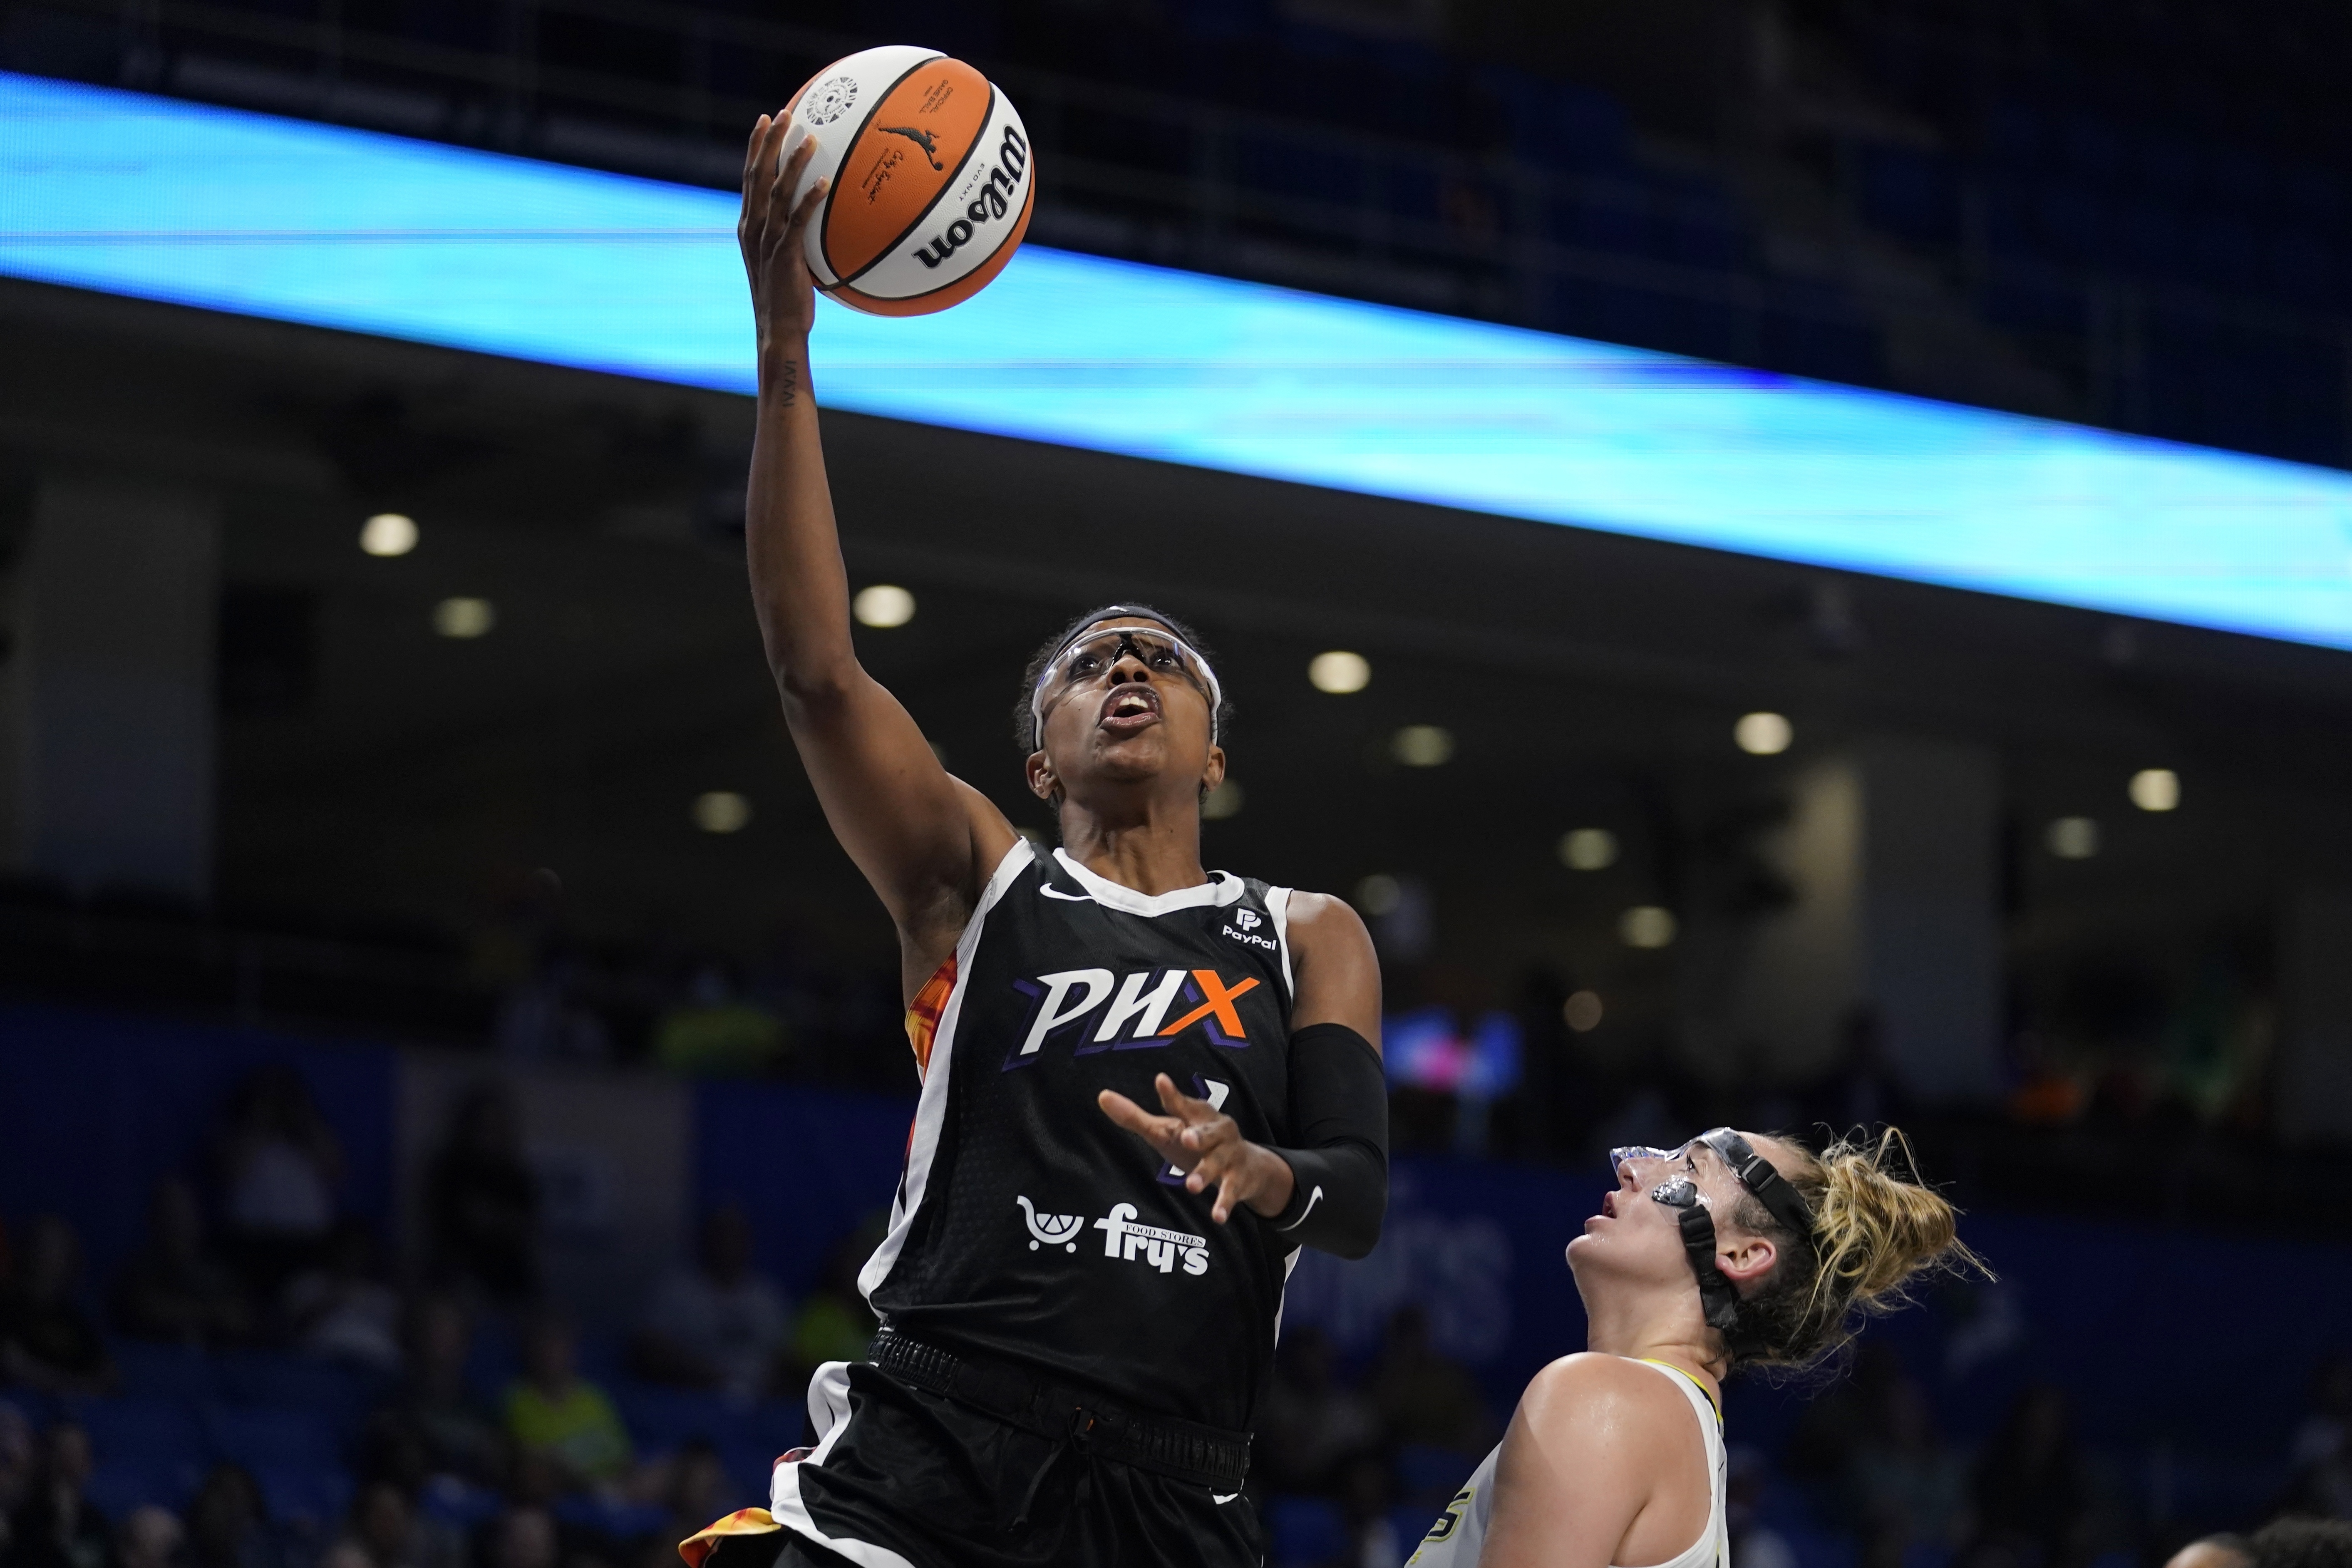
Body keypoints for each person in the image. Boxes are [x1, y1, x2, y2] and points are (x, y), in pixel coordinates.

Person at [691, 113, 1391, 1568]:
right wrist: (784, 353)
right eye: (1087, 662)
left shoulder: (1307, 930)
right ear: (1035, 754)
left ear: (1216, 748)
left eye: (1161, 656)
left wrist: (1265, 1172)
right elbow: (817, 665)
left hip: (1173, 1482)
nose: (1125, 664)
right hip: (936, 1442)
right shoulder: (980, 875)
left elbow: (1359, 1189)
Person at [1405, 1126, 1984, 1568]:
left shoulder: (1604, 1401)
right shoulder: (1672, 1425)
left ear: (1742, 1255)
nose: (1631, 1166)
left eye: (1689, 1167)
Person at [212, 1064, 343, 1297]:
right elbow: (231, 1171)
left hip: (307, 1244)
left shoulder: (310, 1137)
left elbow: (336, 1170)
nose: (279, 1107)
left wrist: (302, 1118)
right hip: (252, 1242)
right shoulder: (239, 1136)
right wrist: (260, 1116)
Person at [631, 1208, 789, 1401]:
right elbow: (648, 1348)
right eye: (721, 1237)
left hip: (759, 1403)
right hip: (692, 1397)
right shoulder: (676, 1292)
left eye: (735, 1238)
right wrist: (706, 1375)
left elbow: (785, 1357)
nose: (728, 1245)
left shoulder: (766, 1297)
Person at [422, 1083, 539, 1307]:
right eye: (483, 1125)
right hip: (458, 1266)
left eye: (496, 1125)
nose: (489, 1133)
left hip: (510, 1272)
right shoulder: (449, 1169)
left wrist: (495, 1219)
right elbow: (449, 1222)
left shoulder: (517, 1174)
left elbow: (525, 1226)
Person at [114, 1176, 253, 1349]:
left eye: (185, 1211)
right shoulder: (139, 1269)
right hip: (161, 1361)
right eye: (169, 1213)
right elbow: (148, 1309)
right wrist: (211, 1313)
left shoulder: (219, 1270)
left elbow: (241, 1318)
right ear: (154, 1219)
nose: (178, 1221)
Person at [502, 1312, 633, 1494]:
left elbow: (622, 1455)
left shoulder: (593, 1398)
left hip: (614, 1490)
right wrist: (590, 1482)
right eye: (545, 1345)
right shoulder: (518, 1400)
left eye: (559, 1345)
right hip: (559, 1494)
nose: (552, 1354)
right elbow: (536, 1459)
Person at [0, 1217, 114, 1394]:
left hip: (79, 1408)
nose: (53, 1256)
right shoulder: (7, 1305)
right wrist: (72, 1386)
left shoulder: (74, 1317)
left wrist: (77, 1388)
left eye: (61, 1248)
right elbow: (14, 1367)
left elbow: (108, 1377)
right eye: (46, 1246)